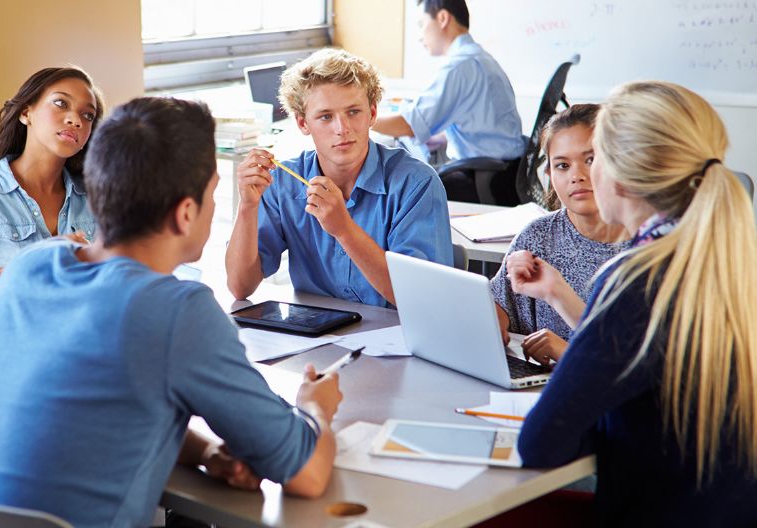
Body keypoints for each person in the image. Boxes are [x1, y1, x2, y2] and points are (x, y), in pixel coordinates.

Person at [0, 97, 342, 527]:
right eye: (211, 192)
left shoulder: (28, 271)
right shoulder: (178, 312)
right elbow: (307, 475)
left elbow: (93, 407)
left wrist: (204, 451)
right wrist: (315, 408)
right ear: (186, 213)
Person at [519, 82, 757, 524]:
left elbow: (540, 443)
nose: (586, 175)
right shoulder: (725, 258)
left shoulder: (636, 278)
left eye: (596, 159)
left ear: (623, 176)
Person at [226, 48, 453, 308]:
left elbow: (421, 300)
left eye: (353, 112)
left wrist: (344, 230)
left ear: (372, 114)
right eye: (325, 117)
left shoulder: (415, 183)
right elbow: (239, 286)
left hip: (396, 337)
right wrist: (247, 206)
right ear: (303, 124)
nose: (342, 129)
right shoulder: (284, 183)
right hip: (317, 337)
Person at [0, 66, 105, 315]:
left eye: (88, 115)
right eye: (61, 103)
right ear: (26, 113)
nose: (76, 120)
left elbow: (119, 280)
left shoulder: (97, 196)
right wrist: (22, 277)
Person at [490, 104, 627, 363]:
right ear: (549, 174)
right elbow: (497, 309)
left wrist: (566, 353)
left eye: (590, 160)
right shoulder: (537, 236)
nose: (577, 176)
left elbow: (640, 369)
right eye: (562, 165)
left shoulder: (648, 248)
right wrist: (489, 324)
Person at [372, 0, 525, 204]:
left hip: (484, 180)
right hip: (505, 175)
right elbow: (481, 122)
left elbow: (408, 125)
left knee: (394, 190)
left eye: (421, 24)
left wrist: (363, 117)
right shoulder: (480, 58)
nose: (420, 36)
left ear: (442, 18)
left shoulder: (458, 67)